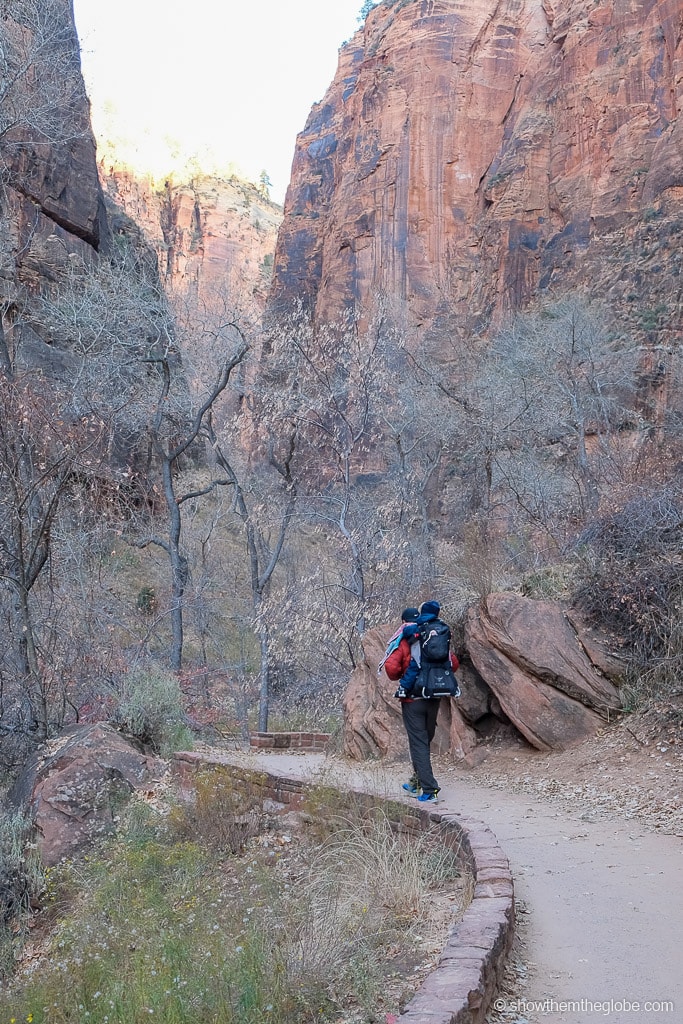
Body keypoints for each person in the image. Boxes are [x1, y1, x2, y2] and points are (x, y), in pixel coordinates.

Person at [383, 600, 459, 803]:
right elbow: (453, 664)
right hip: (434, 695)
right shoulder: (437, 637)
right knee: (424, 741)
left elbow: (391, 668)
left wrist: (403, 675)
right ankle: (417, 781)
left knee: (418, 743)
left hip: (412, 699)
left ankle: (429, 789)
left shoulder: (407, 639)